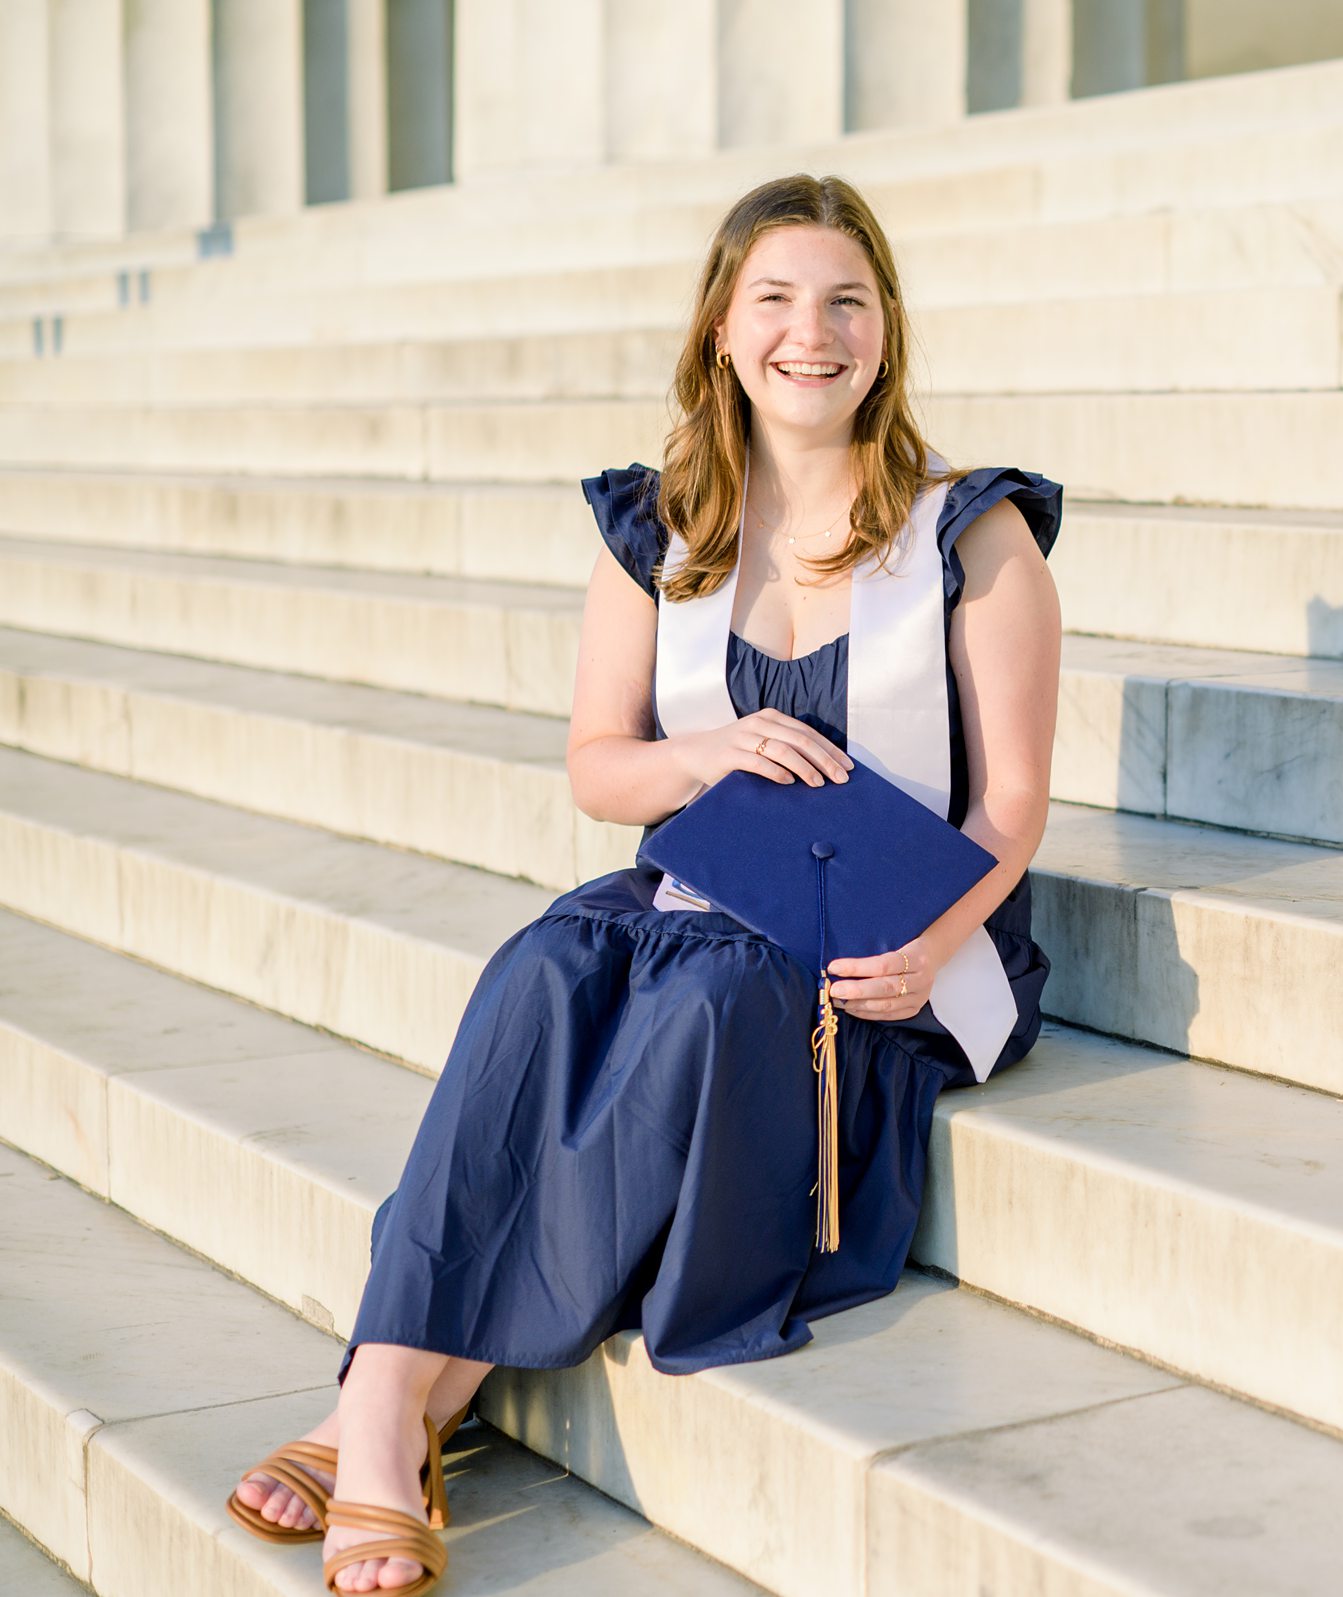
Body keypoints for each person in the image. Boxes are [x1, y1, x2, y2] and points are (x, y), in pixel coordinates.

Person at [225, 172, 1064, 1595]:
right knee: (543, 965)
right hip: (699, 896)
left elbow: (1015, 804)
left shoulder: (971, 533)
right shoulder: (661, 528)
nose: (816, 332)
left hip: (883, 939)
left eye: (848, 300)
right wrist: (713, 750)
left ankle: (389, 1404)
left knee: (707, 1006)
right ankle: (390, 1403)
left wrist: (930, 947)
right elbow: (599, 766)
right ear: (724, 333)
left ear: (888, 331)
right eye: (779, 301)